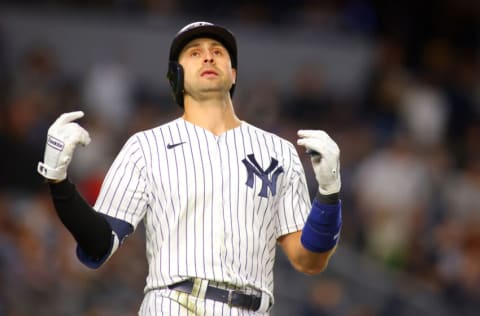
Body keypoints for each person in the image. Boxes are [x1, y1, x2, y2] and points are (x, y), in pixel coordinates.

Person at [37, 21, 343, 315]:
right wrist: (58, 181)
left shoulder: (279, 151)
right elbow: (99, 244)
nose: (208, 55)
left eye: (218, 51)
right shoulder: (146, 146)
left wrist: (329, 194)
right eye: (194, 52)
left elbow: (309, 261)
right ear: (176, 76)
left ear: (233, 74)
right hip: (173, 304)